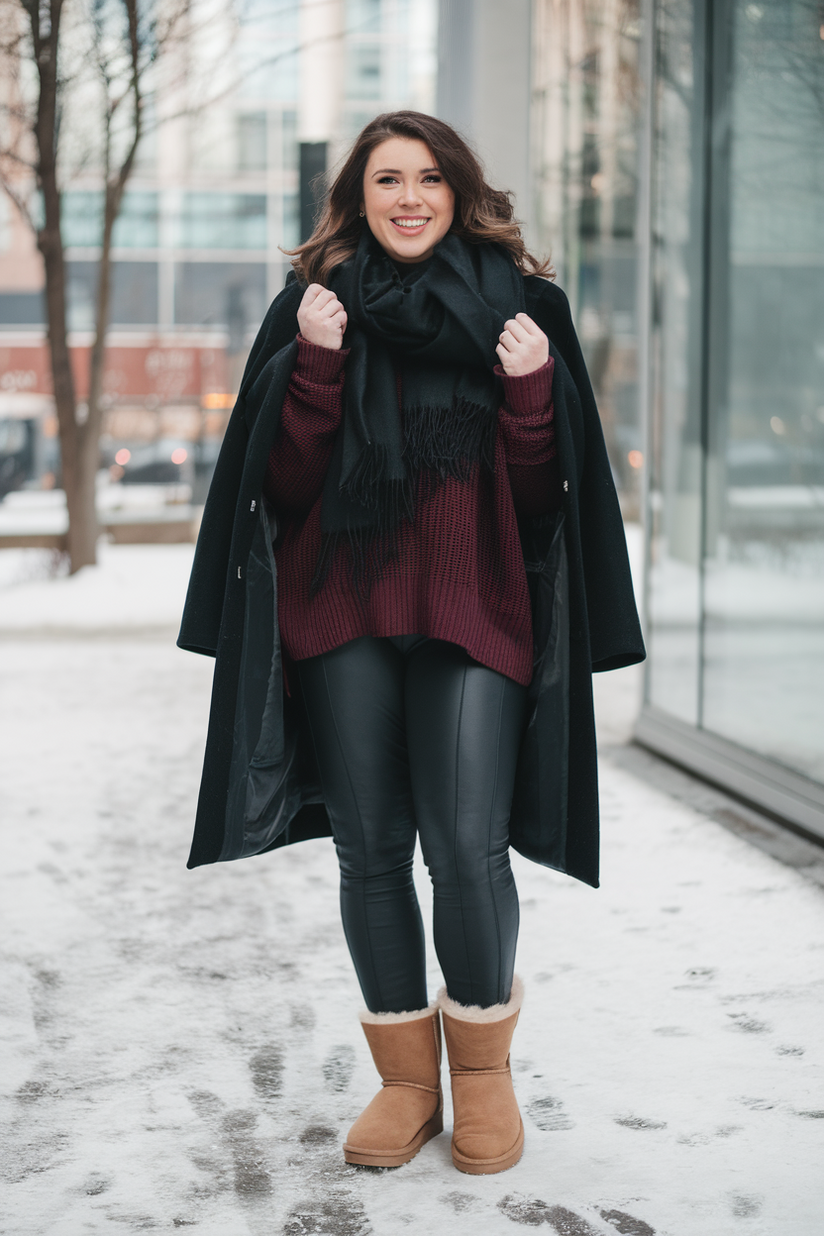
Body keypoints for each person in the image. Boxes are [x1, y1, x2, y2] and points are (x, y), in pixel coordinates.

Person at [178, 111, 644, 1177]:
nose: (407, 197)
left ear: (459, 190)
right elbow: (281, 491)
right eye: (386, 179)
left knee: (466, 847)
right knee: (370, 848)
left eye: (428, 178)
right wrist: (316, 367)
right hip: (338, 609)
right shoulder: (315, 310)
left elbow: (539, 515)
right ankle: (402, 1082)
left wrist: (530, 394)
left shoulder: (522, 312)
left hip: (473, 609)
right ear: (357, 196)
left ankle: (481, 1076)